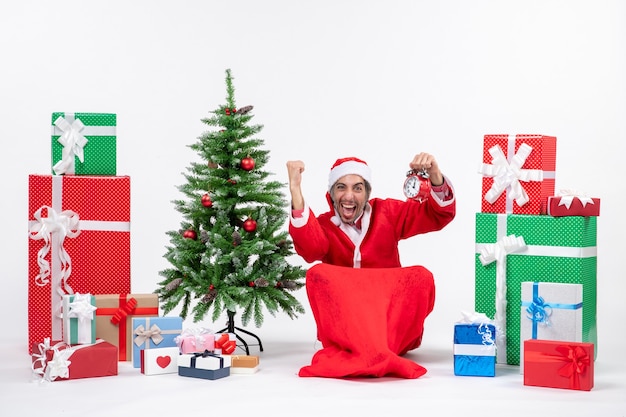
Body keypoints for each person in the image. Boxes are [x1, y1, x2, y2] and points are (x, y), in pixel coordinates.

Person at [286, 154, 456, 379]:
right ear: (331, 195)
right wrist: (295, 189)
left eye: (357, 188)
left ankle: (378, 348)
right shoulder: (325, 225)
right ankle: (366, 350)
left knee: (421, 276)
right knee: (317, 273)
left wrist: (435, 175)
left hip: (388, 321)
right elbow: (311, 249)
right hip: (348, 322)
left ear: (367, 194)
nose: (348, 196)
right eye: (341, 187)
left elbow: (438, 215)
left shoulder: (388, 213)